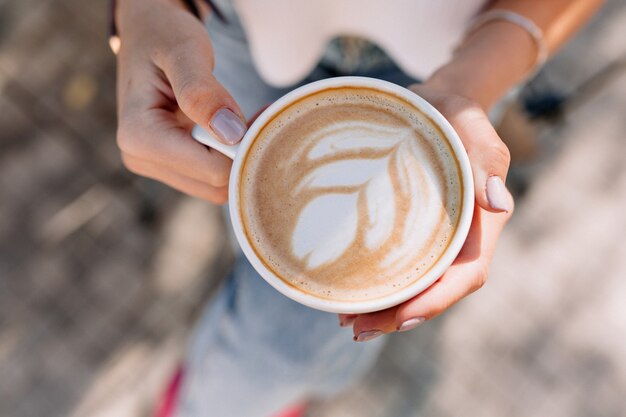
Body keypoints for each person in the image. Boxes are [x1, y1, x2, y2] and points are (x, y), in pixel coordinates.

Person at [112, 0, 603, 415]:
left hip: (464, 44)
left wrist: (476, 80)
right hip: (229, 20)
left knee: (288, 347)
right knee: (273, 316)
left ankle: (254, 384)